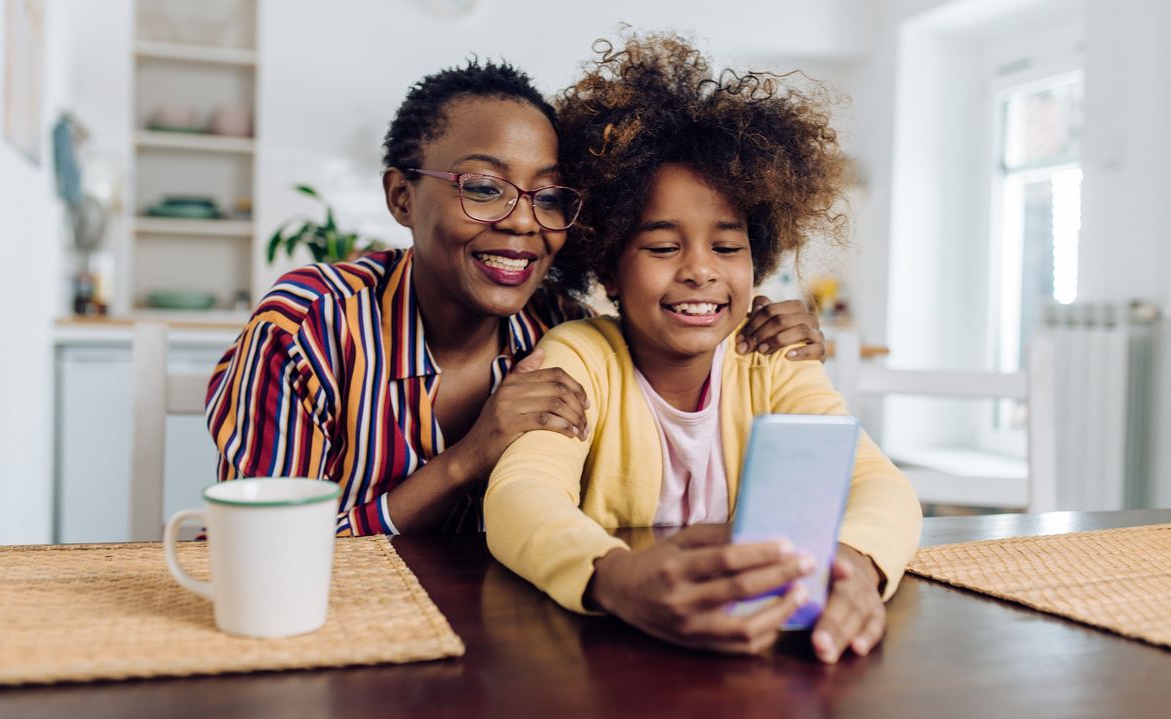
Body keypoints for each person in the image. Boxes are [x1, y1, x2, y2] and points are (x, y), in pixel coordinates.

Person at [205, 59, 828, 537]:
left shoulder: (566, 333)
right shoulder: (310, 327)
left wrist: (764, 333)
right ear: (401, 197)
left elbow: (682, 360)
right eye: (483, 187)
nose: (524, 223)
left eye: (550, 196)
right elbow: (262, 549)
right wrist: (465, 459)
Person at [485, 34, 922, 661]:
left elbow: (882, 487)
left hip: (766, 650)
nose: (700, 271)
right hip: (618, 657)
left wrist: (853, 568)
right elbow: (519, 497)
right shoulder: (578, 356)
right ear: (608, 267)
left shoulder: (771, 361)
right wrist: (614, 576)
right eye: (663, 247)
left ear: (758, 258)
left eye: (727, 246)